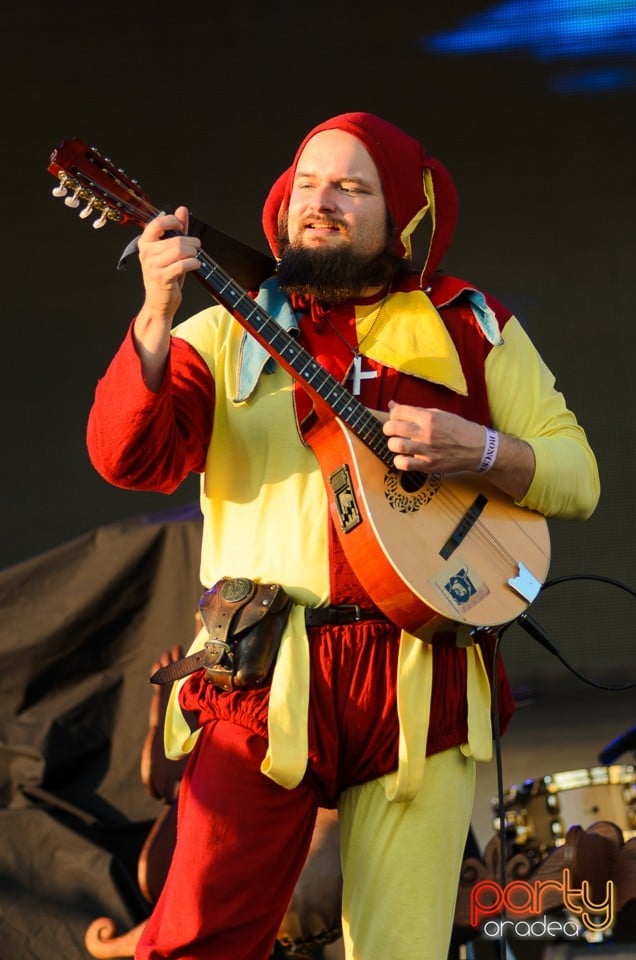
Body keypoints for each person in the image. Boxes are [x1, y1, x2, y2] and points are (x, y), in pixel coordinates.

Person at [86, 111, 600, 960]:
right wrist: (152, 313)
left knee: (401, 947)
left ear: (398, 216)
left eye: (351, 188)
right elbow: (125, 455)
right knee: (194, 941)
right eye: (307, 185)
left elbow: (577, 474)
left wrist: (479, 448)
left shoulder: (470, 326)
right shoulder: (221, 330)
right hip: (261, 678)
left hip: (419, 679)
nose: (319, 203)